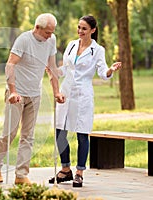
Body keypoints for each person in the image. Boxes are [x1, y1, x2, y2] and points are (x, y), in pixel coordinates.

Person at [0, 13, 65, 185]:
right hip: (17, 94)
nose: (50, 36)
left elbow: (51, 67)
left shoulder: (51, 41)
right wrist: (13, 91)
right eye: (47, 32)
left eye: (52, 32)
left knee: (28, 136)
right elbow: (10, 64)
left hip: (35, 94)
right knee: (10, 133)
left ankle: (21, 174)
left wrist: (56, 92)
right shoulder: (23, 40)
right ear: (37, 28)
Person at [46, 15, 121, 187]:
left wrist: (111, 70)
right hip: (66, 92)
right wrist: (53, 70)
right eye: (79, 28)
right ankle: (65, 170)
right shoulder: (72, 44)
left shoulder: (98, 50)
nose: (80, 31)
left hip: (83, 95)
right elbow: (65, 68)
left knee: (82, 133)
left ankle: (79, 172)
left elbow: (103, 74)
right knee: (60, 132)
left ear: (93, 30)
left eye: (84, 29)